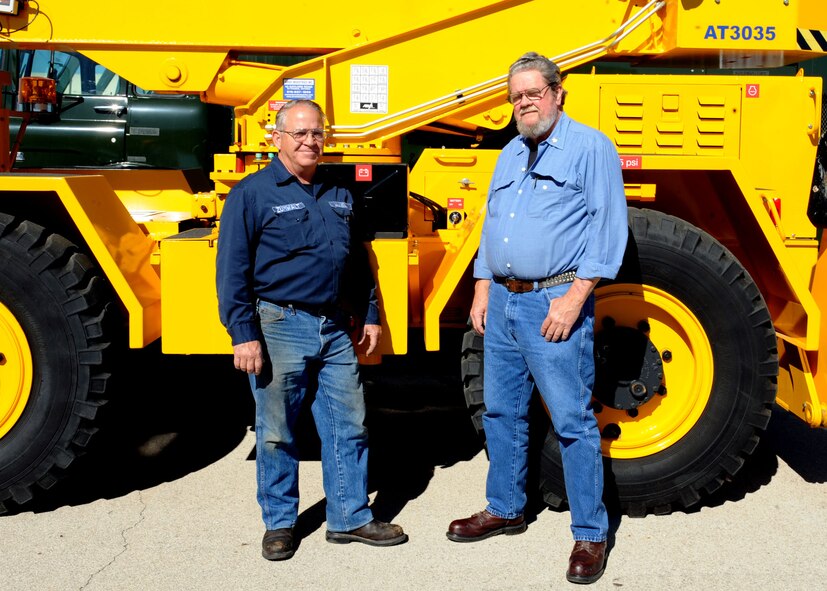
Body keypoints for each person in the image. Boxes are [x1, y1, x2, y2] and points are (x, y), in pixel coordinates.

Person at [446, 53, 627, 585]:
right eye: (516, 96)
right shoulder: (508, 153)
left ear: (557, 92)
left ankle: (590, 534)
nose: (524, 102)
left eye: (533, 92)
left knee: (571, 420)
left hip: (552, 302)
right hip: (503, 303)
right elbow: (491, 224)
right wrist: (482, 286)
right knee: (501, 411)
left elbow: (608, 229)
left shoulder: (590, 147)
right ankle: (505, 508)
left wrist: (574, 300)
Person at [216, 99, 408, 561]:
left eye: (317, 133)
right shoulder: (251, 194)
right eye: (299, 133)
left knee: (349, 425)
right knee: (278, 431)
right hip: (279, 325)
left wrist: (370, 314)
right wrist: (243, 333)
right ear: (277, 138)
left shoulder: (338, 192)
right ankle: (280, 523)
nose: (309, 141)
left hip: (336, 326)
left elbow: (358, 262)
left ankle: (349, 517)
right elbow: (231, 269)